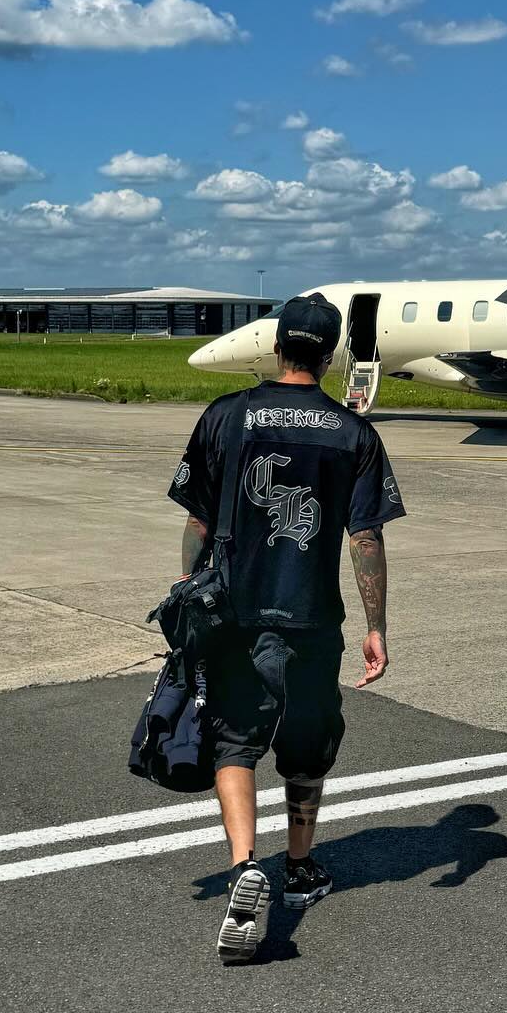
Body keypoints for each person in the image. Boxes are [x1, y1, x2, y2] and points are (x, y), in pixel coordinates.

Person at [167, 293, 406, 965]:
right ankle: (299, 866)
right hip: (310, 620)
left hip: (236, 614)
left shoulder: (224, 416)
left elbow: (196, 522)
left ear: (276, 348)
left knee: (235, 740)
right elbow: (366, 537)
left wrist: (188, 588)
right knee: (307, 745)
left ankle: (247, 863)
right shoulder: (354, 432)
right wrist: (376, 624)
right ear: (329, 356)